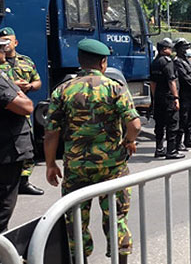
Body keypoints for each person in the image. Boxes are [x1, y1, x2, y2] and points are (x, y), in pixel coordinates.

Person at [44, 39, 141, 262]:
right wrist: (129, 141)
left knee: (76, 219)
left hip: (77, 168)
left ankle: (81, 259)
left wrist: (50, 164)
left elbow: (50, 133)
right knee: (116, 218)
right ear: (103, 62)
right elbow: (134, 125)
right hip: (112, 168)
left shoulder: (63, 90)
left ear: (80, 60)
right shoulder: (115, 88)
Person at [0, 27, 43, 195]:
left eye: (8, 41)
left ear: (15, 42)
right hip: (6, 110)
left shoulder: (25, 61)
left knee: (27, 146)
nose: (5, 44)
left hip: (23, 110)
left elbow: (37, 81)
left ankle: (24, 182)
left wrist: (30, 86)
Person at [0, 37, 34, 231]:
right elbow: (26, 107)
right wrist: (19, 93)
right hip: (6, 153)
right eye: (1, 48)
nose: (4, 50)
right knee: (4, 206)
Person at [150, 38, 184, 159]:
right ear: (164, 49)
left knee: (159, 125)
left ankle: (159, 149)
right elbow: (172, 81)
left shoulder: (154, 62)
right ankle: (171, 151)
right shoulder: (167, 62)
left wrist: (154, 98)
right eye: (170, 48)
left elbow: (152, 83)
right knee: (172, 124)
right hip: (168, 98)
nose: (171, 50)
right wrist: (176, 98)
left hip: (158, 98)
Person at [173, 39, 191, 150]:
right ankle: (179, 142)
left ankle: (188, 140)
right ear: (178, 49)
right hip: (184, 94)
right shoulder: (177, 62)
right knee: (183, 118)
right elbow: (185, 78)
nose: (186, 50)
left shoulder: (187, 61)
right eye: (184, 48)